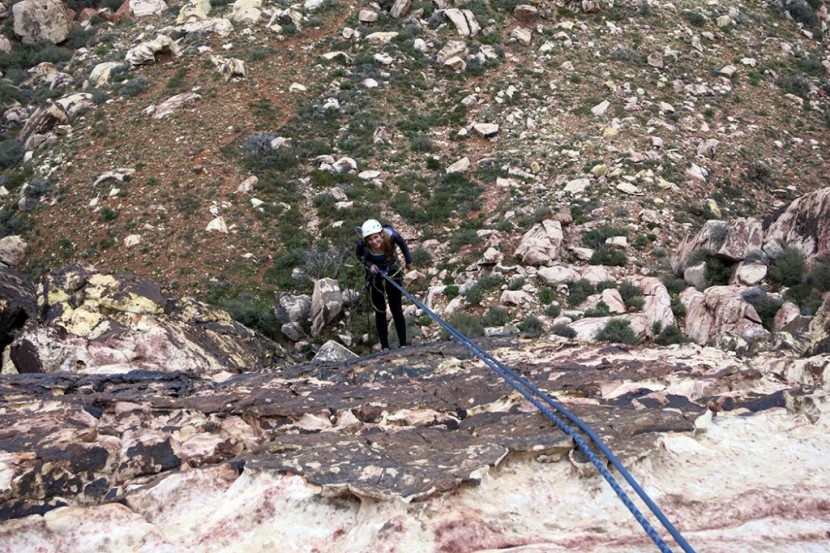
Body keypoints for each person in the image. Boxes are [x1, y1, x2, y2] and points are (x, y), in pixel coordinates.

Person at [355, 219, 413, 350]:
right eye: (370, 239)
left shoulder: (391, 236)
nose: (374, 242)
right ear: (366, 240)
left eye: (376, 237)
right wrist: (370, 265)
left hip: (392, 270)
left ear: (381, 234)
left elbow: (403, 244)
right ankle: (385, 347)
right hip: (374, 274)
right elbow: (360, 256)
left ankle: (403, 345)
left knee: (396, 308)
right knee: (380, 310)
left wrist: (408, 260)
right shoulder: (362, 245)